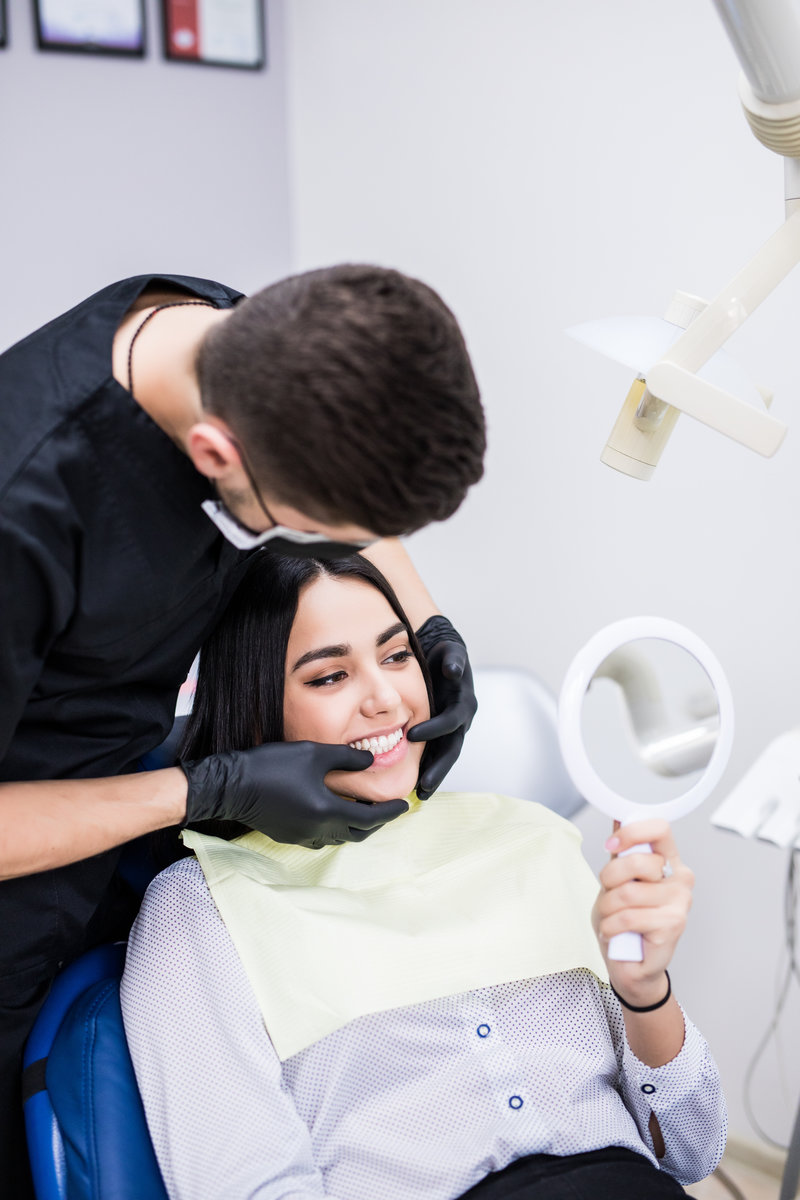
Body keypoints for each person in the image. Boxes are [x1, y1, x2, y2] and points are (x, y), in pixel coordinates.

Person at [0, 264, 486, 1195]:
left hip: (117, 812)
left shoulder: (238, 337)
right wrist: (203, 788)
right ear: (216, 453)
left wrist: (426, 628)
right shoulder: (26, 512)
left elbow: (349, 508)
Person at [121, 551, 726, 1200]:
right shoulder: (203, 908)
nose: (385, 699)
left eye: (396, 656)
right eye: (329, 677)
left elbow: (691, 1150)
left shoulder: (529, 836)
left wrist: (645, 992)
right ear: (258, 706)